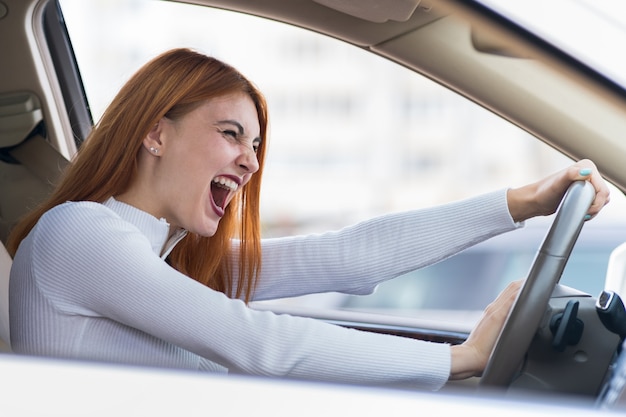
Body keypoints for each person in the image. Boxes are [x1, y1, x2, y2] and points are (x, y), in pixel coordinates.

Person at [6, 48, 610, 391]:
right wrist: (463, 358)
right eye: (230, 134)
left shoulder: (162, 255)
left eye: (257, 144)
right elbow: (258, 345)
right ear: (154, 133)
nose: (250, 160)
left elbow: (350, 256)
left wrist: (523, 202)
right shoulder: (79, 234)